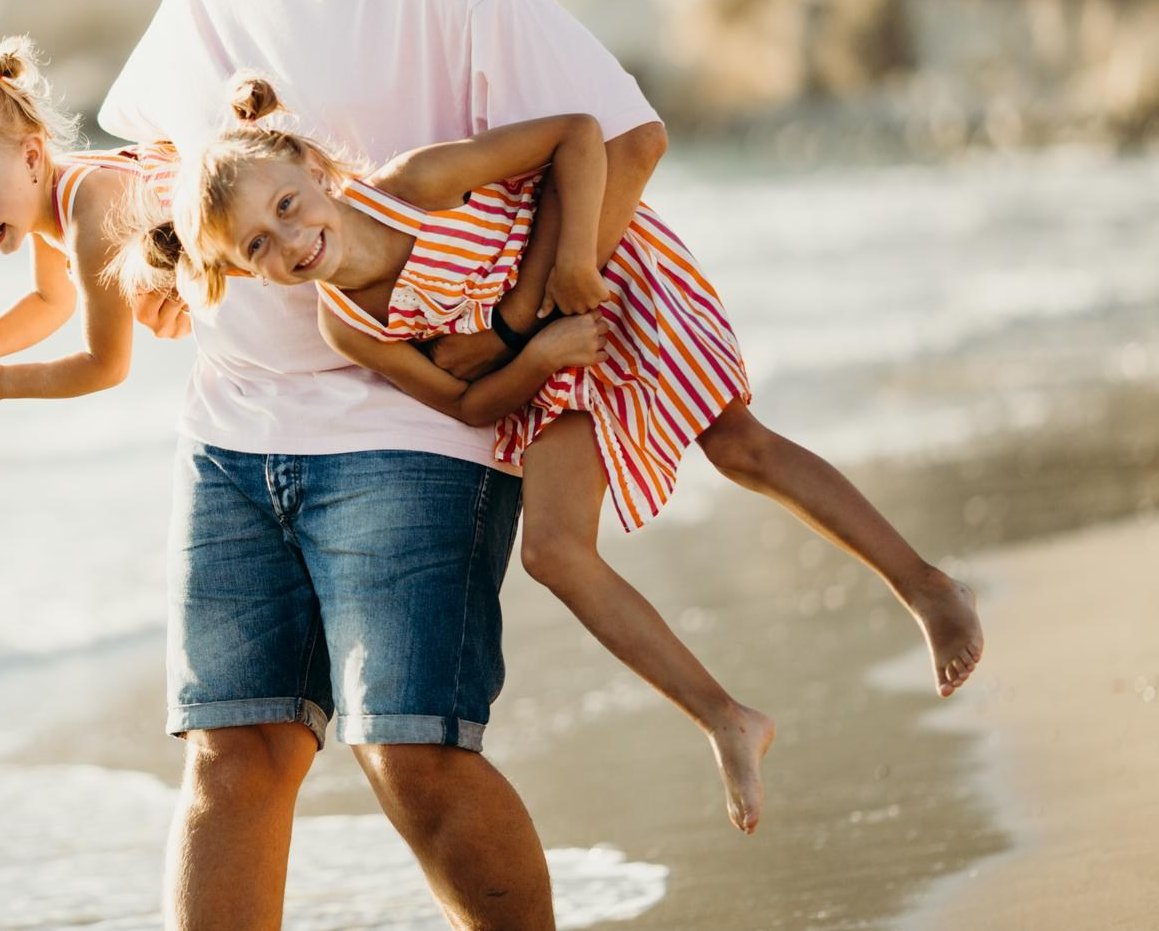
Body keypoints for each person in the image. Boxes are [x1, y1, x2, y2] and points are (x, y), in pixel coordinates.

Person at [96, 0, 679, 930]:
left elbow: (621, 138)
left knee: (412, 754)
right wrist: (151, 254)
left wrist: (517, 319)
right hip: (236, 431)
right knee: (230, 757)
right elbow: (160, 157)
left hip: (412, 427)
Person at [123, 74, 985, 834]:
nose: (290, 241)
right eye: (258, 250)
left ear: (313, 168)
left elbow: (579, 133)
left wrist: (568, 269)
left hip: (605, 276)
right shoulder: (348, 321)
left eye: (285, 206)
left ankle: (927, 586)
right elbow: (464, 402)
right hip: (544, 365)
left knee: (738, 444)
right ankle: (725, 718)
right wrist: (533, 354)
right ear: (243, 275)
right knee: (553, 552)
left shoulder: (414, 185)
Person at [0, 36, 175, 415]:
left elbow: (108, 366)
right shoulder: (45, 199)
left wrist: (1, 383)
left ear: (31, 157)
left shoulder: (90, 214)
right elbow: (52, 301)